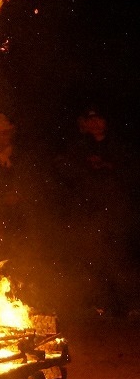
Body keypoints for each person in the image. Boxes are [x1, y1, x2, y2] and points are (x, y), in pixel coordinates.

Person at [54, 107, 138, 317]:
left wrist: (110, 167)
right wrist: (85, 169)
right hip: (88, 210)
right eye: (90, 120)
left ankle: (126, 305)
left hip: (115, 209)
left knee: (118, 257)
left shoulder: (119, 145)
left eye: (99, 119)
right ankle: (95, 304)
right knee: (91, 258)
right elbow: (64, 168)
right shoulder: (79, 146)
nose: (95, 124)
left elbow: (130, 171)